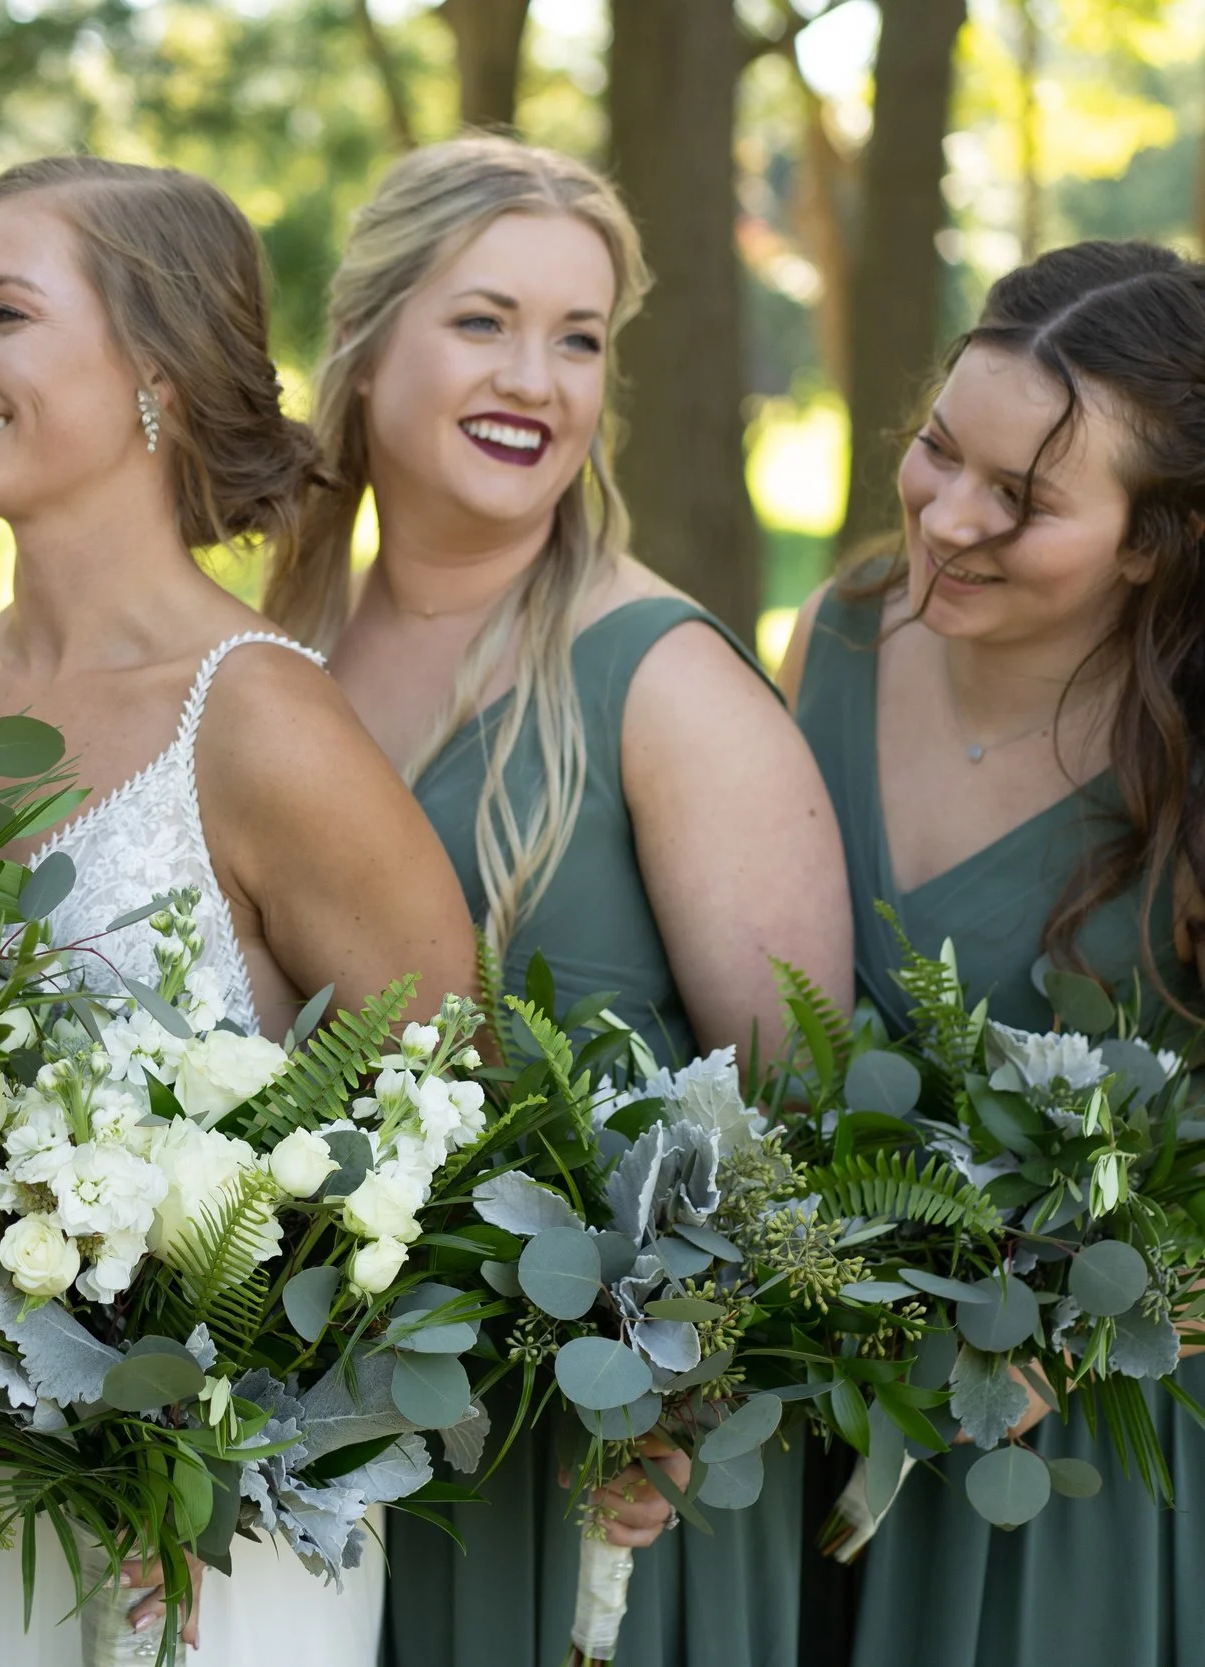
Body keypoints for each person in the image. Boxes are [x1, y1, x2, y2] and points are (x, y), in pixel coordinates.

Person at [0, 154, 479, 1666]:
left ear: (158, 374)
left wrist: (215, 1439)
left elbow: (436, 1131)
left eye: (3, 313)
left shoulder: (261, 724)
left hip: (204, 1544)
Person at [261, 137, 851, 1667]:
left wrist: (690, 1384)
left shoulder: (666, 682)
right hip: (315, 1471)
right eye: (485, 321)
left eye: (578, 340)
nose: (537, 377)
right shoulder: (281, 649)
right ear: (370, 340)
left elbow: (812, 1120)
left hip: (596, 1480)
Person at [780, 237, 1205, 1667]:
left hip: (1079, 1468)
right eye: (938, 451)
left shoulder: (1188, 768)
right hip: (805, 1421)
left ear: (1156, 539)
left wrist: (1092, 1321)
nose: (947, 518)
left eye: (1020, 498)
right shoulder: (834, 636)